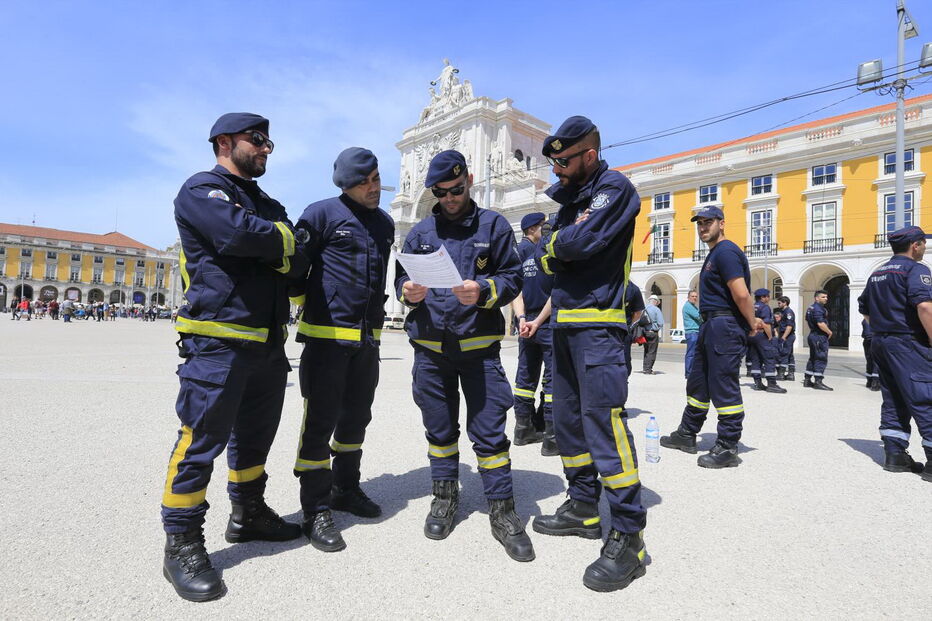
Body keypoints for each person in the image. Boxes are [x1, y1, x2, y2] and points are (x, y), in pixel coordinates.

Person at [159, 113, 309, 602]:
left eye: (269, 141)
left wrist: (275, 245)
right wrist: (275, 243)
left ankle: (249, 514)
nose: (267, 147)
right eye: (257, 139)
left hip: (267, 340)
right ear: (225, 142)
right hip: (217, 339)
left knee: (255, 436)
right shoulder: (202, 189)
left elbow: (297, 260)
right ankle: (181, 541)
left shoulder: (268, 202)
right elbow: (234, 236)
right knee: (201, 439)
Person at [395, 150, 533, 562]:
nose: (450, 198)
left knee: (490, 433)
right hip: (431, 351)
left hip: (479, 350)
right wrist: (407, 291)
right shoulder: (420, 231)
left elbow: (511, 276)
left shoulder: (493, 225)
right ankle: (444, 497)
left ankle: (503, 510)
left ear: (469, 180)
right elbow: (402, 276)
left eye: (456, 189)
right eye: (441, 192)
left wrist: (485, 292)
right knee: (439, 431)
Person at [530, 116, 646, 592]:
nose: (556, 169)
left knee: (605, 425)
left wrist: (559, 246)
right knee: (567, 422)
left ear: (590, 155)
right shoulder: (573, 200)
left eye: (563, 160)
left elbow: (577, 243)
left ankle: (629, 536)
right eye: (553, 161)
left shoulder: (614, 189)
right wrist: (560, 246)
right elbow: (547, 256)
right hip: (565, 323)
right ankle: (582, 506)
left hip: (599, 325)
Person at [292, 147, 394, 552]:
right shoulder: (320, 214)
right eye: (364, 182)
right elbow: (296, 271)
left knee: (356, 419)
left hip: (368, 340)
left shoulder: (385, 224)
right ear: (345, 185)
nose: (374, 188)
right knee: (319, 422)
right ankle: (315, 508)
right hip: (327, 339)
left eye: (376, 179)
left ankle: (345, 488)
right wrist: (314, 304)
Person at [661, 206, 762, 469]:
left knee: (723, 385)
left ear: (722, 223)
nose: (703, 227)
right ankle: (687, 433)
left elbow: (740, 294)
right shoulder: (715, 254)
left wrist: (751, 323)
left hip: (724, 324)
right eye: (700, 223)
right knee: (698, 382)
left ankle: (728, 446)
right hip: (711, 324)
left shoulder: (726, 251)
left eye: (709, 222)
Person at [857, 225, 932, 481]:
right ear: (916, 245)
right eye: (923, 243)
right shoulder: (916, 269)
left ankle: (895, 455)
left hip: (881, 342)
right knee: (925, 396)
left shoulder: (877, 273)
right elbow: (924, 306)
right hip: (908, 343)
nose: (924, 248)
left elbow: (864, 309)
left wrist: (884, 327)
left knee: (894, 399)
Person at [511, 211, 553, 453]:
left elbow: (515, 290)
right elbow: (557, 292)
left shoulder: (519, 256)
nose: (545, 230)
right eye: (542, 226)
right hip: (544, 321)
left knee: (525, 378)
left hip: (526, 322)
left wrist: (522, 319)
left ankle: (523, 428)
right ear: (532, 229)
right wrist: (536, 320)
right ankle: (551, 433)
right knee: (552, 379)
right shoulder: (544, 254)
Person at [747, 289, 786, 393]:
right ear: (763, 297)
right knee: (769, 357)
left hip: (752, 335)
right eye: (768, 296)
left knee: (756, 358)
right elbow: (767, 324)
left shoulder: (752, 306)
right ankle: (771, 384)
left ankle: (758, 383)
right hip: (761, 335)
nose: (769, 298)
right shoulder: (765, 308)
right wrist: (770, 336)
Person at [804, 290, 833, 390]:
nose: (826, 299)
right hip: (819, 336)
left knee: (813, 358)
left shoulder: (811, 307)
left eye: (826, 297)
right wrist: (829, 332)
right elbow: (820, 323)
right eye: (823, 297)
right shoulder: (818, 309)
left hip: (813, 335)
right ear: (817, 298)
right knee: (821, 358)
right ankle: (818, 381)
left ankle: (807, 380)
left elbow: (808, 320)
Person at [775, 295, 796, 381]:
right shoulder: (783, 312)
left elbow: (789, 326)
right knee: (790, 354)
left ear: (785, 303)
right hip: (786, 335)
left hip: (787, 335)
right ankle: (791, 374)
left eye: (779, 303)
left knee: (783, 354)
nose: (778, 304)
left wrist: (783, 337)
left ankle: (781, 374)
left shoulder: (788, 312)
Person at [641, 295, 664, 374]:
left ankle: (645, 368)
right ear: (655, 301)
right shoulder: (656, 309)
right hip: (652, 332)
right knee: (652, 351)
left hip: (644, 332)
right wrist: (656, 328)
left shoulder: (644, 309)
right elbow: (661, 322)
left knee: (646, 350)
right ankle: (648, 369)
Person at [682, 289, 702, 377]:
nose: (694, 298)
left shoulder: (693, 306)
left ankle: (692, 371)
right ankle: (689, 373)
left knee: (695, 353)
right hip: (692, 332)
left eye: (696, 296)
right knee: (691, 353)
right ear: (688, 297)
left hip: (695, 332)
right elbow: (699, 317)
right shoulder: (688, 306)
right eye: (692, 296)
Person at [861, 318, 880, 391]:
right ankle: (875, 383)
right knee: (876, 362)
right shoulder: (874, 317)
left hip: (867, 341)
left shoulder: (865, 318)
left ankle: (869, 381)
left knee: (869, 361)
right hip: (874, 340)